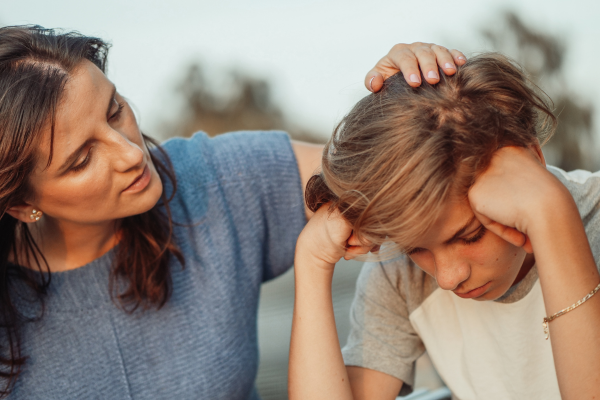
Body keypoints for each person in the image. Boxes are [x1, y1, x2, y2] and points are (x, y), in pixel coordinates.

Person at [0, 24, 465, 399]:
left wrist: (415, 102)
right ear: (22, 204)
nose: (129, 154)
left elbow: (395, 173)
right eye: (82, 159)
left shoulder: (214, 180)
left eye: (115, 109)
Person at [288, 53, 600, 400]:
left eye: (470, 235)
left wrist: (552, 216)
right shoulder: (400, 275)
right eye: (415, 248)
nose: (448, 278)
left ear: (533, 161)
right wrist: (312, 262)